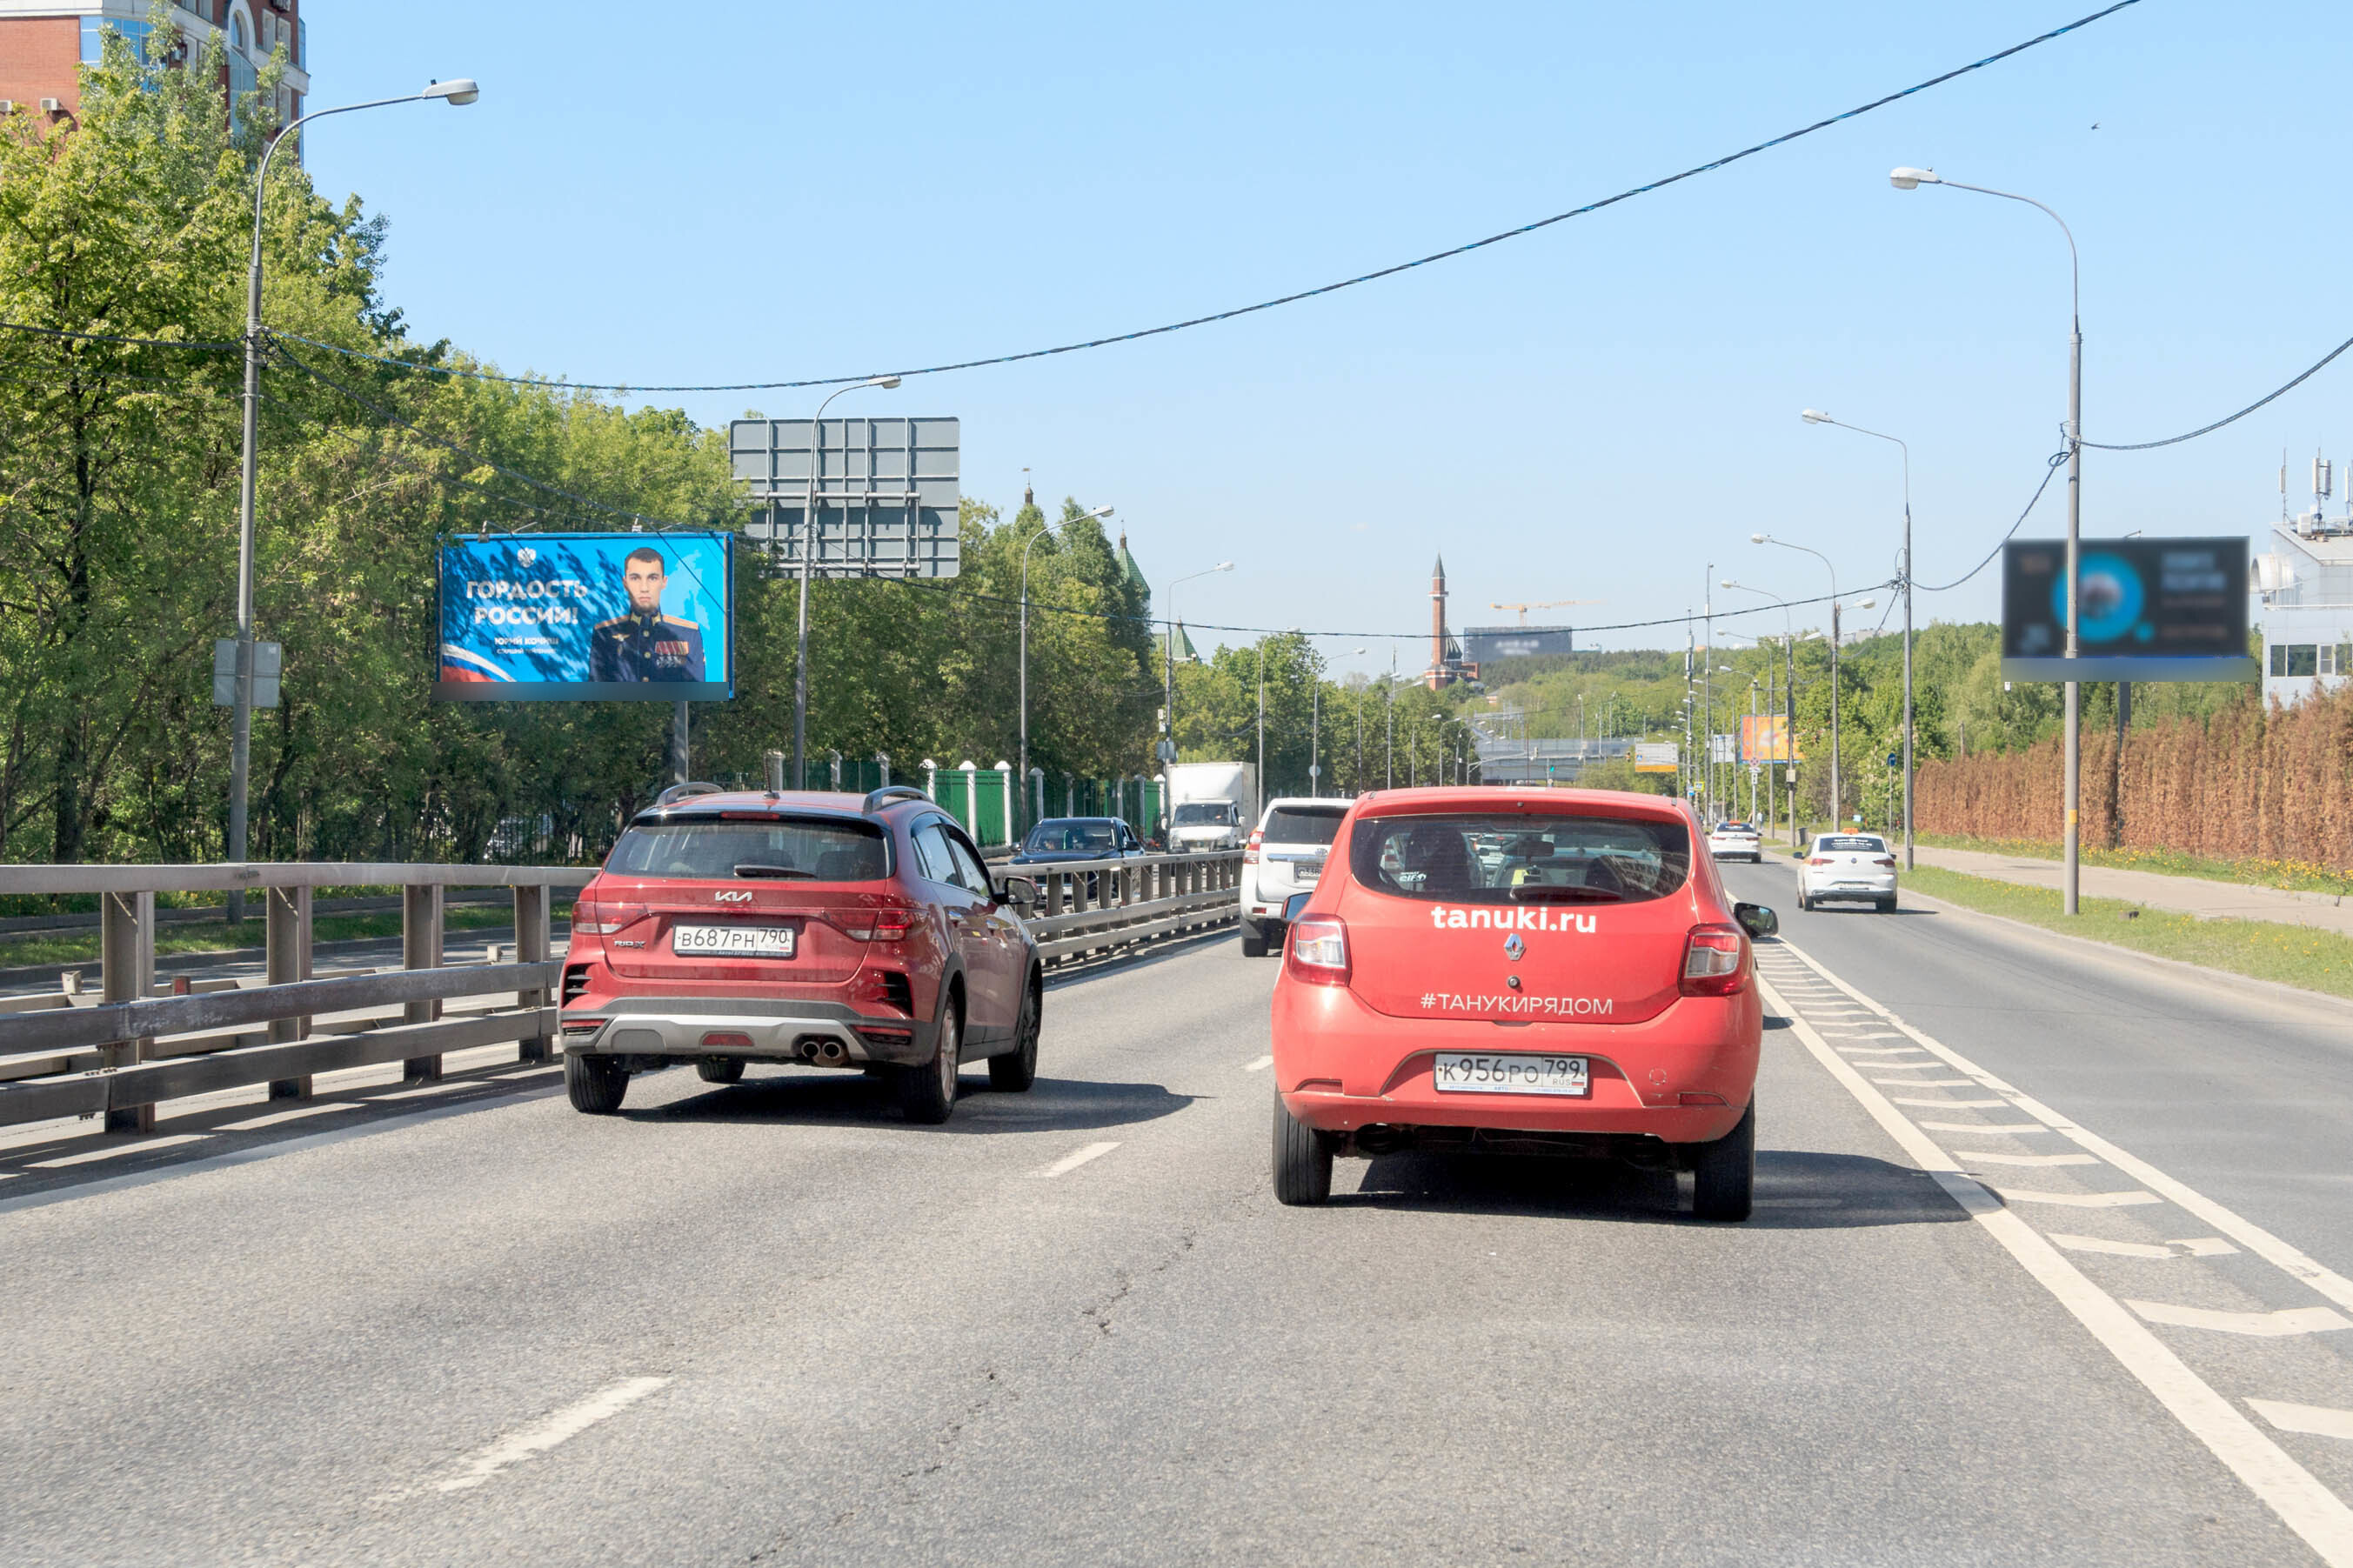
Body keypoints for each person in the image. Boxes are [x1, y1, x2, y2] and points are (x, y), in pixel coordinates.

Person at [589, 545, 705, 683]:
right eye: (635, 578)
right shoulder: (605, 633)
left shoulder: (687, 633)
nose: (644, 588)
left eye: (652, 578)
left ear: (664, 582)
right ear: (625, 583)